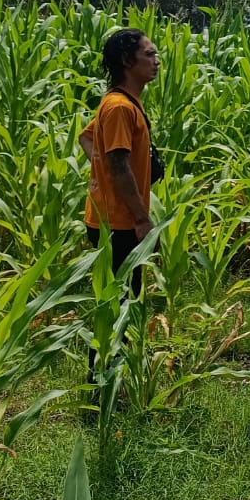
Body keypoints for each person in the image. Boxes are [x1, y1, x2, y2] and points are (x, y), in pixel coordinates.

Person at [80, 27, 162, 298]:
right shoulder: (119, 107)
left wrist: (99, 166)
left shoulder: (123, 102)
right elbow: (119, 166)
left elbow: (87, 137)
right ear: (128, 61)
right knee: (121, 302)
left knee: (123, 296)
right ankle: (109, 343)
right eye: (149, 54)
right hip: (117, 223)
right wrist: (141, 220)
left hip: (114, 219)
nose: (156, 61)